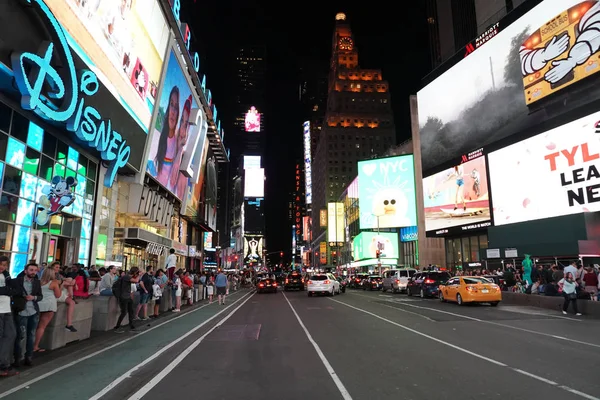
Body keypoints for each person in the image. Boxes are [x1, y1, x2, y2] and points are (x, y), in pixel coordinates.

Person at [13, 263, 42, 367]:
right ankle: (18, 358)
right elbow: (12, 293)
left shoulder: (37, 282)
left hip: (33, 311)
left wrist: (33, 297)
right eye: (31, 270)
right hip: (21, 311)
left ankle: (28, 357)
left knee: (31, 335)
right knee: (21, 336)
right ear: (26, 271)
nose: (33, 272)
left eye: (35, 270)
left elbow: (40, 296)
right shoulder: (18, 281)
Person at [154, 86, 180, 185]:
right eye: (171, 105)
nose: (173, 112)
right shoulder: (160, 136)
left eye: (176, 107)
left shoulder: (177, 141)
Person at [34, 268, 62, 352]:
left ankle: (29, 345)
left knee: (34, 326)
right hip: (49, 305)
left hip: (38, 304)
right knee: (42, 327)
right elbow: (58, 295)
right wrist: (61, 286)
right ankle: (35, 346)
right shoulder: (53, 283)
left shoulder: (38, 282)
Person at [0, 256, 17, 376]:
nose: (2, 267)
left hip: (6, 309)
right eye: (1, 264)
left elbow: (14, 289)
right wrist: (7, 289)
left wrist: (7, 289)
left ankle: (4, 364)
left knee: (10, 335)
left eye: (5, 265)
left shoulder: (6, 275)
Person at [114, 267, 140, 332]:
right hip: (123, 297)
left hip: (127, 296)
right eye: (137, 273)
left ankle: (131, 325)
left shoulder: (127, 277)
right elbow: (136, 281)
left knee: (131, 311)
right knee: (124, 312)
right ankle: (117, 326)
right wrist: (139, 275)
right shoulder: (126, 277)